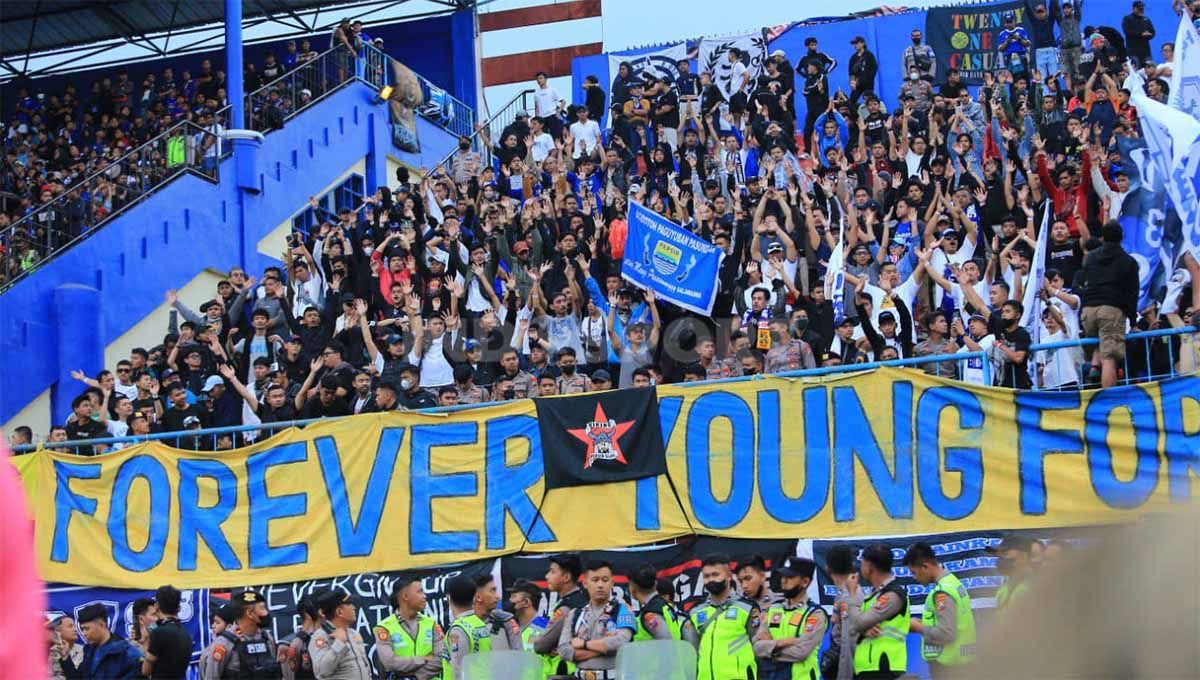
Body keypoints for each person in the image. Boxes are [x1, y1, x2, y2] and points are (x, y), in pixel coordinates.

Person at [1078, 221, 1139, 387]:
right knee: (1110, 357)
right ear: (1122, 238)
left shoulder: (1090, 258)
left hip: (1088, 311)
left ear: (1102, 238)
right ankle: (1109, 401)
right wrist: (1133, 322)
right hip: (1111, 310)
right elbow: (1132, 294)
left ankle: (1095, 366)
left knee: (1101, 339)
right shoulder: (1128, 262)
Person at [902, 543, 977, 678]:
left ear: (925, 566)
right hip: (962, 662)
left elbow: (946, 633)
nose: (914, 577)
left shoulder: (943, 592)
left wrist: (918, 627)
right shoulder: (953, 582)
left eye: (914, 572)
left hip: (949, 667)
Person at [556, 559, 636, 676]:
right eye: (595, 580)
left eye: (605, 580)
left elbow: (621, 643)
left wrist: (584, 644)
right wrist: (604, 648)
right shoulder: (575, 614)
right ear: (585, 583)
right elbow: (563, 650)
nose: (600, 585)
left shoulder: (623, 610)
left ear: (612, 583)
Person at [752, 556, 826, 680]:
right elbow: (756, 647)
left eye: (790, 577)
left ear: (805, 582)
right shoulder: (773, 609)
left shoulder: (814, 613)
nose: (784, 581)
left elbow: (801, 652)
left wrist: (770, 648)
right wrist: (781, 643)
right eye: (783, 576)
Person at [691, 553, 760, 680]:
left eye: (716, 575)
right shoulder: (696, 612)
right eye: (706, 576)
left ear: (728, 576)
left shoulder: (746, 608)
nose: (711, 580)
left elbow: (759, 648)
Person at [848, 544, 909, 679]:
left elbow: (858, 622)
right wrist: (863, 630)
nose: (860, 568)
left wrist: (852, 595)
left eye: (862, 563)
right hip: (867, 668)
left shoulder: (892, 594)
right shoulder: (874, 595)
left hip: (884, 667)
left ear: (870, 567)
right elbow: (852, 627)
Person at [443, 574, 520, 679]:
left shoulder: (459, 628)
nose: (497, 596)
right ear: (475, 597)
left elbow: (458, 669)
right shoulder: (479, 624)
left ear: (449, 598)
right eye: (492, 590)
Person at [373, 578, 445, 680]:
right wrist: (422, 659)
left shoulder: (431, 624)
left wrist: (416, 677)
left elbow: (443, 658)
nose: (424, 596)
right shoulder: (384, 627)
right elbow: (390, 662)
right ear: (405, 596)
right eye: (420, 592)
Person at [204, 591, 282, 680]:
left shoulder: (266, 638)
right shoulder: (224, 643)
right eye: (262, 608)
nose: (266, 613)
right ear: (250, 614)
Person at [532, 553, 587, 676]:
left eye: (552, 572)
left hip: (566, 671)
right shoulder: (582, 598)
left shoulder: (566, 608)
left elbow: (540, 646)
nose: (547, 576)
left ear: (566, 577)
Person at [64, 603, 144, 679]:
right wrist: (65, 658)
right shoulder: (89, 651)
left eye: (87, 628)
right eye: (82, 629)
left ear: (102, 625)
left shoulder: (127, 654)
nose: (84, 633)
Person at [309, 590, 371, 680]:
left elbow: (365, 667)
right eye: (349, 604)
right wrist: (339, 643)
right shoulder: (321, 637)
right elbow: (321, 671)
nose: (354, 607)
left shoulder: (353, 633)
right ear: (339, 612)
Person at [143, 585, 193, 680]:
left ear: (157, 605)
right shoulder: (186, 635)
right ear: (178, 608)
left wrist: (145, 641)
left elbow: (145, 671)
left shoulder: (159, 633)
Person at [506, 579, 554, 676]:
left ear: (526, 602)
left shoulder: (545, 627)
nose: (509, 601)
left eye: (513, 597)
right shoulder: (511, 628)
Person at [627, 564, 684, 642]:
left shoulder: (651, 615)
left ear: (633, 588)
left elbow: (667, 642)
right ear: (655, 584)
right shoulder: (664, 605)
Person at [987, 535, 1034, 612]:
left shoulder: (1034, 585)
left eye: (1005, 554)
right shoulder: (1005, 587)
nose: (1000, 559)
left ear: (1023, 556)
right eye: (999, 555)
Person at [48, 614, 83, 680]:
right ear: (58, 631)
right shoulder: (50, 652)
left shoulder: (85, 651)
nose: (75, 629)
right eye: (70, 626)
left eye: (74, 626)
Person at [1123, 1, 1156, 65]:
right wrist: (1141, 34)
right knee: (1136, 70)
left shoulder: (1146, 19)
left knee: (1149, 69)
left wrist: (1149, 35)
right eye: (1139, 9)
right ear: (1134, 8)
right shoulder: (1127, 18)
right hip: (1133, 51)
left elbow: (1153, 32)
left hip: (1146, 51)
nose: (1141, 10)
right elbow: (1127, 32)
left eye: (1142, 9)